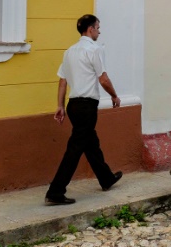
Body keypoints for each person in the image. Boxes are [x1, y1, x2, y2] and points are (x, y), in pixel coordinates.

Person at [45, 14, 123, 205]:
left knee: (90, 142)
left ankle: (106, 178)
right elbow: (103, 78)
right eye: (98, 27)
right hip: (87, 105)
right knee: (75, 147)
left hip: (73, 105)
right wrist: (114, 95)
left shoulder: (70, 51)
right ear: (90, 29)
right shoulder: (94, 50)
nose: (99, 31)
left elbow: (62, 81)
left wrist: (60, 106)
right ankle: (55, 191)